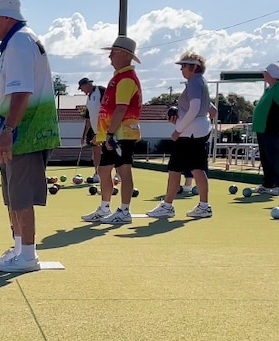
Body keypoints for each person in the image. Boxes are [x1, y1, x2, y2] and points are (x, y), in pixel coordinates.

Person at [0, 0, 60, 273]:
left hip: (24, 133)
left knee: (21, 194)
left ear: (5, 17)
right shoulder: (17, 43)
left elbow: (22, 92)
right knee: (13, 194)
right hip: (19, 132)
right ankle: (18, 249)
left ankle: (28, 254)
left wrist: (9, 131)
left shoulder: (19, 44)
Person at [80, 36, 143, 224]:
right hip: (113, 134)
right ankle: (105, 208)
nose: (110, 57)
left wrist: (108, 134)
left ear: (124, 55)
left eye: (113, 53)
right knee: (104, 170)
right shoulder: (118, 78)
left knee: (123, 170)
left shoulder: (126, 79)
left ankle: (124, 211)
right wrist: (103, 135)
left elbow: (121, 109)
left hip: (122, 134)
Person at [146, 52, 215, 219]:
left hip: (188, 134)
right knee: (197, 168)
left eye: (184, 66)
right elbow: (213, 111)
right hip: (200, 131)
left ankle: (167, 206)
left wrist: (179, 129)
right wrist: (196, 122)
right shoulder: (201, 83)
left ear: (194, 67)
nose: (181, 69)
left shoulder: (193, 83)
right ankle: (204, 206)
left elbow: (194, 107)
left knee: (175, 169)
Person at [252, 63, 279, 195]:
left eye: (265, 72)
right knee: (265, 157)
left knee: (274, 156)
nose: (263, 74)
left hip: (271, 128)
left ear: (271, 74)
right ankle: (267, 184)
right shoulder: (269, 89)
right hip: (261, 128)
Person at [78, 77, 105, 183]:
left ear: (87, 85)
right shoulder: (89, 98)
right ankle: (97, 174)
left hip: (106, 128)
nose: (82, 91)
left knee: (110, 150)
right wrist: (83, 135)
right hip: (95, 130)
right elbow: (88, 119)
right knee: (96, 151)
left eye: (81, 88)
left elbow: (110, 107)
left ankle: (117, 174)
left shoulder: (101, 91)